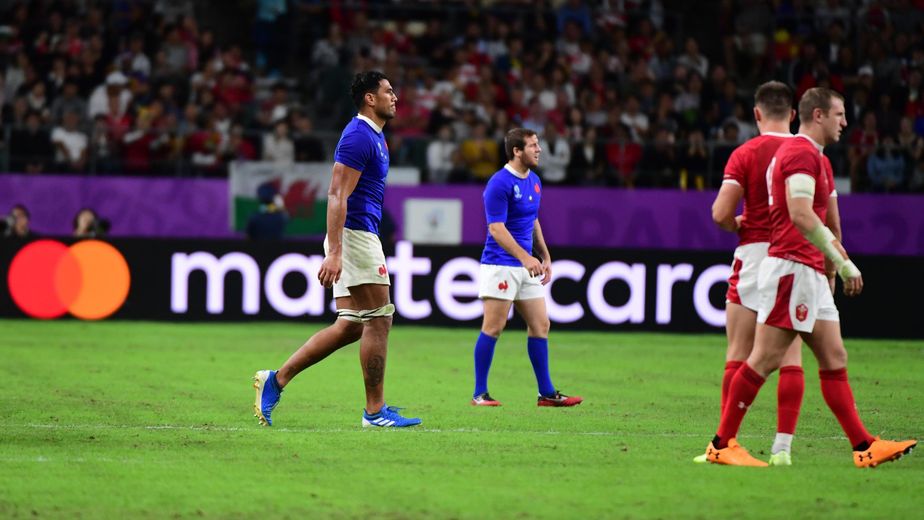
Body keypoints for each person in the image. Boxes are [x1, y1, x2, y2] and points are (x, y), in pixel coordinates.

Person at [702, 87, 916, 468]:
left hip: (811, 269)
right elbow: (801, 214)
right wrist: (844, 263)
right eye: (839, 115)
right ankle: (722, 443)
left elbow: (826, 220)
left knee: (835, 357)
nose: (845, 123)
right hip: (793, 266)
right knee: (765, 358)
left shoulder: (816, 158)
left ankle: (863, 446)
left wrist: (829, 269)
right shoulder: (799, 153)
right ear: (817, 115)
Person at [253, 71, 421, 428]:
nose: (396, 97)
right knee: (380, 318)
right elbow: (336, 194)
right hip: (355, 235)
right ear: (369, 99)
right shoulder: (358, 136)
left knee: (350, 326)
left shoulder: (375, 137)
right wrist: (336, 251)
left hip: (357, 233)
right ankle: (374, 412)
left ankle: (276, 379)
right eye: (388, 91)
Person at [695, 81, 804, 466]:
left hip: (755, 253)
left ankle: (727, 442)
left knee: (738, 352)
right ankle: (782, 449)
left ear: (756, 113)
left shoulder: (745, 153)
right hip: (796, 256)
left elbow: (720, 213)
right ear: (793, 114)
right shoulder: (807, 152)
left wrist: (737, 223)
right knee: (791, 354)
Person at [470, 128, 583, 408]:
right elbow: (496, 228)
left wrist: (544, 255)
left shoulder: (534, 181)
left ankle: (546, 393)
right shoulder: (499, 183)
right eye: (533, 145)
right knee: (494, 326)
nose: (539, 149)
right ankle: (479, 393)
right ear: (516, 151)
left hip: (526, 265)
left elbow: (533, 221)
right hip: (501, 265)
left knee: (541, 324)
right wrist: (524, 257)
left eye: (538, 144)